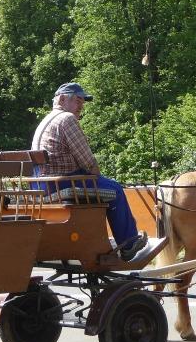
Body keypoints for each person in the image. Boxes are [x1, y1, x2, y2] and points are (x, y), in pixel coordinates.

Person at [32, 82, 150, 261]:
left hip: (42, 185)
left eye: (82, 102)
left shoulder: (45, 121)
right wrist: (97, 175)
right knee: (115, 189)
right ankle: (129, 243)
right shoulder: (67, 119)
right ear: (62, 99)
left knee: (107, 186)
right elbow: (88, 162)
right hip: (64, 183)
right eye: (78, 100)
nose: (81, 106)